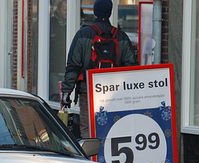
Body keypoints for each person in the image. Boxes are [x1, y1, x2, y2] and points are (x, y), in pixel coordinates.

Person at [61, 0, 137, 138]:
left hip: (88, 92)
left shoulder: (83, 35)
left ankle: (91, 158)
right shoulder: (121, 37)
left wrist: (66, 92)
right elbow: (132, 68)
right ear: (110, 13)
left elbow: (73, 66)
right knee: (112, 130)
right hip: (114, 95)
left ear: (95, 12)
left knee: (88, 131)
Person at [49, 0, 67, 101]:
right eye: (64, 10)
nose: (66, 12)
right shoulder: (50, 24)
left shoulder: (72, 25)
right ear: (58, 10)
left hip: (67, 69)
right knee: (55, 98)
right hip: (54, 69)